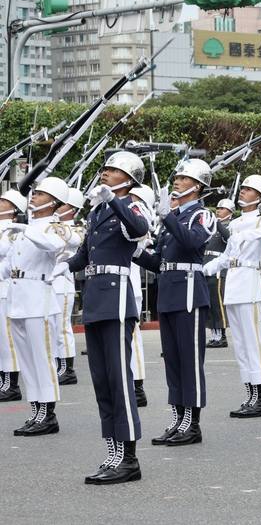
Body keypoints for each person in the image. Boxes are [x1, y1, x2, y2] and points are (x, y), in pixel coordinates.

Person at [67, 151, 150, 484]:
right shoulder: (97, 211)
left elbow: (139, 228)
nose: (105, 173)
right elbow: (83, 255)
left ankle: (129, 458)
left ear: (128, 179)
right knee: (102, 381)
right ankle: (113, 451)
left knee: (119, 380)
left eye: (113, 170)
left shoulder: (129, 205)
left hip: (117, 299)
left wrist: (114, 202)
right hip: (96, 297)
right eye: (105, 169)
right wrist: (54, 260)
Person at [135, 158, 217, 447]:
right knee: (172, 360)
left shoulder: (202, 216)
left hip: (189, 295)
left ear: (196, 187)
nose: (177, 182)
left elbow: (193, 243)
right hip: (169, 293)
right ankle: (177, 417)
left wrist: (168, 216)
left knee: (190, 361)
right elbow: (159, 262)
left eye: (183, 179)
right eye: (177, 178)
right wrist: (136, 251)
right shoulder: (171, 220)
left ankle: (191, 424)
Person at [2, 177, 78, 438]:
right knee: (26, 361)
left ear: (54, 202)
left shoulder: (54, 228)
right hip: (18, 300)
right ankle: (35, 411)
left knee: (42, 360)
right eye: (35, 193)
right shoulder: (25, 229)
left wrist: (23, 228)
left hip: (39, 300)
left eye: (41, 194)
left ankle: (48, 413)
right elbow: (7, 268)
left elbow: (54, 245)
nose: (33, 196)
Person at [204, 175, 261, 419]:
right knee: (240, 345)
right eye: (244, 189)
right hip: (233, 285)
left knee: (253, 344)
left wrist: (253, 233)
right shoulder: (235, 223)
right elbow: (228, 255)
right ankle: (249, 395)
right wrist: (209, 267)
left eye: (249, 190)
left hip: (249, 285)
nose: (243, 193)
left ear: (259, 197)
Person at [52, 188, 86, 385]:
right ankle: (57, 365)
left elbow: (74, 240)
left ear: (71, 209)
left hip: (63, 285)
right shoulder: (51, 225)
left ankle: (67, 369)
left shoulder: (77, 228)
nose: (57, 206)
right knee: (51, 328)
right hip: (49, 284)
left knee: (62, 328)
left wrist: (53, 221)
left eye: (61, 204)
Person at [128, 185, 157, 407]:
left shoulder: (138, 214)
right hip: (116, 283)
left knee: (132, 336)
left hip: (129, 282)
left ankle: (137, 386)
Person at [0, 190, 27, 402]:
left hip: (6, 289)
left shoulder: (13, 231)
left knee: (6, 340)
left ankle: (11, 385)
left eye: (4, 201)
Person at [205, 198, 234, 348]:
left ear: (230, 213)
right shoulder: (213, 226)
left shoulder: (229, 226)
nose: (218, 210)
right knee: (210, 304)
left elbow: (228, 237)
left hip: (218, 270)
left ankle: (222, 335)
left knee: (217, 304)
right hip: (206, 267)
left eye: (222, 209)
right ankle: (215, 335)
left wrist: (216, 221)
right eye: (218, 208)